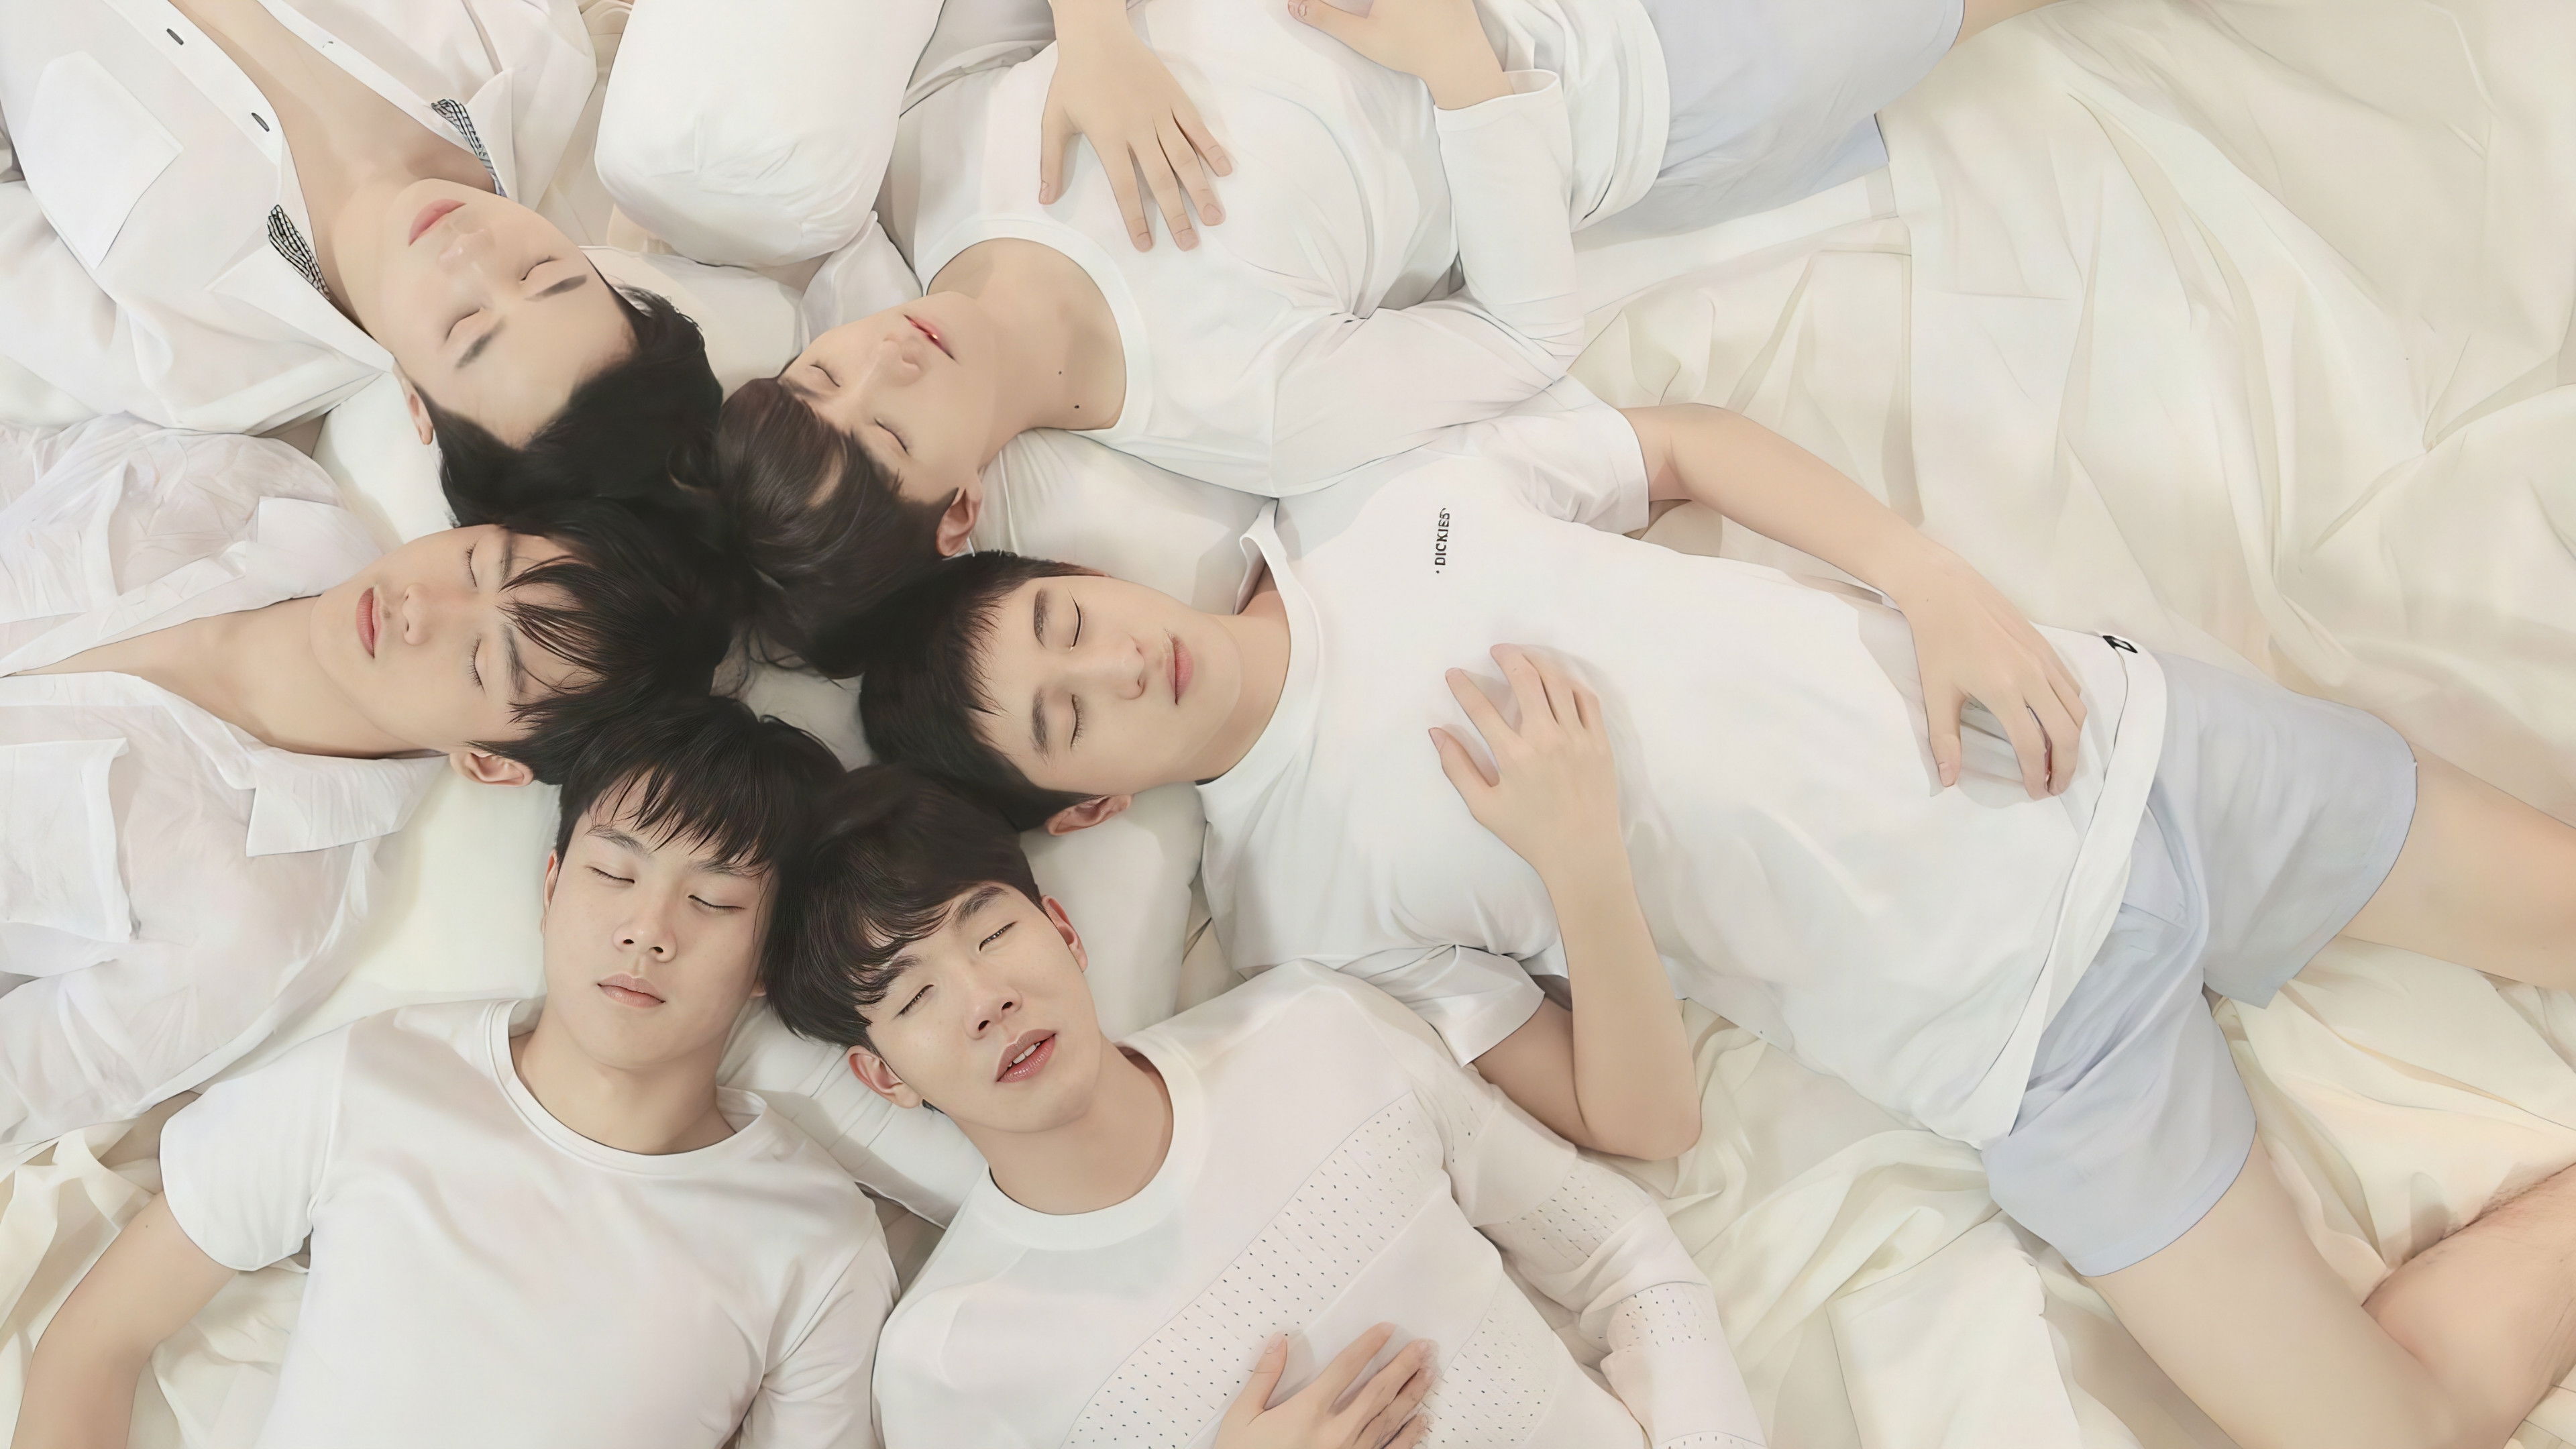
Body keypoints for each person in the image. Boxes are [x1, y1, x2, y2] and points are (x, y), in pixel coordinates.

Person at [853, 383, 2576, 1449]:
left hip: (2112, 751)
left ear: (1086, 577)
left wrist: (1935, 581)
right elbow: (1641, 1127)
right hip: (2029, 1048)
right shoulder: (1305, 926)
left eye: (1068, 624)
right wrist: (1583, 860)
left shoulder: (1366, 504)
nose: (1113, 667)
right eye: (1066, 720)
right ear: (1084, 813)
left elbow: (1676, 444)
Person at [714, 0, 2054, 663]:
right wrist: (1455, 61)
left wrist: (1097, 32)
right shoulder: (1239, 409)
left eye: (828, 371)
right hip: (1625, 68)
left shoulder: (930, 169)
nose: (888, 359)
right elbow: (1524, 334)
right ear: (960, 511)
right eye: (890, 431)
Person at [762, 764, 1767, 1449]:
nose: (986, 1000)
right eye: (915, 998)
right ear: (885, 1077)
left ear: (1062, 929)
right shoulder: (952, 1367)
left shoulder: (1314, 1030)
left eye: (989, 934)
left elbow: (1622, 1257)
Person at [10, 696, 897, 1449]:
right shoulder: (377, 1077)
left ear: (768, 959)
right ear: (551, 885)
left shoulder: (815, 1239)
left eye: (712, 900)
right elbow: (95, 1345)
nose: (648, 930)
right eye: (614, 872)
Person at [0, 415, 736, 1153]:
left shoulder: (257, 924)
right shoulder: (252, 487)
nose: (420, 607)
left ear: (490, 762)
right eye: (478, 564)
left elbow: (27, 1081)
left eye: (481, 662)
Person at [0, 0, 721, 523]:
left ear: (415, 401)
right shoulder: (529, 48)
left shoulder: (191, 364)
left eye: (466, 325)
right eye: (541, 272)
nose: (471, 252)